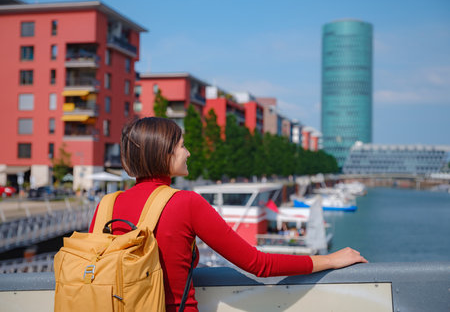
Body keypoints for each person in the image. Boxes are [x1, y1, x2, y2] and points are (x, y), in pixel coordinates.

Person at [89, 117, 367, 311]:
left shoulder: (106, 206)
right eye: (182, 146)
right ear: (165, 153)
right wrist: (330, 259)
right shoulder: (185, 203)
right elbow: (258, 264)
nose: (188, 153)